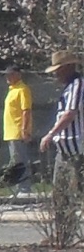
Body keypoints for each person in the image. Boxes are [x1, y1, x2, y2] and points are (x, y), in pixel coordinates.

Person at [39, 50, 83, 195]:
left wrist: (50, 134)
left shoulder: (78, 85)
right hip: (64, 150)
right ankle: (62, 218)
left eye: (58, 70)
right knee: (59, 195)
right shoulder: (68, 88)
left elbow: (70, 113)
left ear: (68, 68)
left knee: (80, 191)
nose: (56, 74)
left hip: (78, 150)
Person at [2, 64, 33, 193]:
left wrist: (24, 129)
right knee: (15, 162)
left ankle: (24, 188)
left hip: (18, 131)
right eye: (7, 75)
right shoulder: (12, 90)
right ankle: (18, 188)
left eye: (11, 74)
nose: (8, 77)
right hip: (10, 132)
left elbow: (26, 110)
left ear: (18, 75)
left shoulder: (23, 89)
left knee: (20, 161)